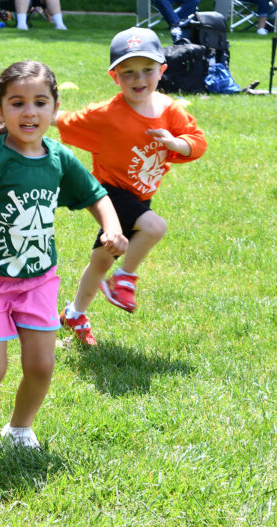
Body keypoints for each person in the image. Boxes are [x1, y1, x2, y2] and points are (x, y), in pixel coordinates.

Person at [0, 61, 126, 449]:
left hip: (38, 279)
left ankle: (19, 429)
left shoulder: (58, 158)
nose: (29, 112)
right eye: (18, 102)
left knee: (41, 365)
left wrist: (112, 227)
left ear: (54, 110)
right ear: (0, 110)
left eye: (40, 103)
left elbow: (95, 194)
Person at [56, 28, 207, 345]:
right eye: (128, 73)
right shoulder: (106, 115)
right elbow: (66, 120)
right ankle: (124, 279)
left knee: (101, 260)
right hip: (109, 193)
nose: (139, 79)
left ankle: (73, 314)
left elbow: (197, 141)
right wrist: (29, 115)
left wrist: (175, 143)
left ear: (162, 69)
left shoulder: (169, 109)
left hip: (140, 195)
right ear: (115, 77)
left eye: (147, 70)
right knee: (154, 227)